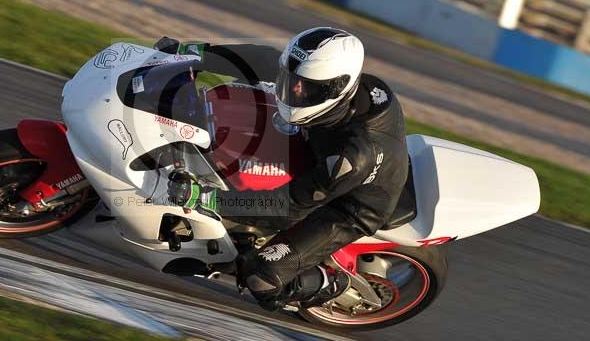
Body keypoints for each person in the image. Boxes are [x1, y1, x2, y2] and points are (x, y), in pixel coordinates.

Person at [159, 27, 409, 310]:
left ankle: (333, 283)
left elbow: (284, 205)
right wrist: (190, 54)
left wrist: (204, 198)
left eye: (307, 87)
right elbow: (266, 60)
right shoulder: (336, 92)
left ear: (337, 87)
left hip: (346, 206)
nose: (295, 90)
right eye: (291, 80)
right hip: (316, 145)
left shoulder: (350, 159)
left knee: (260, 278)